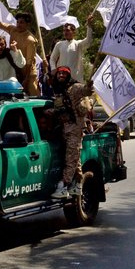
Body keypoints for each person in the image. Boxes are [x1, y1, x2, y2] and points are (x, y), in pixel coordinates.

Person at [48, 66, 94, 199]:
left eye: (64, 73)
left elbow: (86, 91)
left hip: (74, 129)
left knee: (70, 159)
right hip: (64, 128)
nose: (61, 75)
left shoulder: (75, 88)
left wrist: (89, 86)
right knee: (74, 158)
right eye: (59, 73)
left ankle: (64, 186)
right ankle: (78, 183)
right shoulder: (57, 89)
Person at [0, 6, 39, 95]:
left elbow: (30, 62)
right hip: (16, 71)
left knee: (34, 96)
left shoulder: (30, 40)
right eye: (17, 22)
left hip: (28, 73)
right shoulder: (13, 30)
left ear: (27, 24)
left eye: (21, 22)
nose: (18, 24)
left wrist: (26, 79)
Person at [49, 14, 93, 83]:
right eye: (64, 31)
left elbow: (89, 40)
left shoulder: (78, 44)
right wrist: (53, 69)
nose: (65, 32)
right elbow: (52, 59)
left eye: (67, 30)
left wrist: (89, 26)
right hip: (61, 78)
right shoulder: (59, 44)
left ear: (74, 32)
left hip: (75, 78)